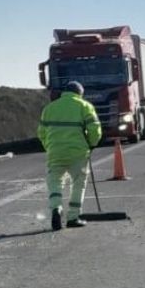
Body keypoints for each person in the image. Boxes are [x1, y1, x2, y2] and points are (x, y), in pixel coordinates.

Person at [37, 81, 102, 231]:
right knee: (79, 183)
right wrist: (91, 144)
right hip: (78, 153)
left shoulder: (49, 108)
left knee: (55, 182)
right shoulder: (84, 106)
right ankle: (73, 217)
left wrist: (50, 147)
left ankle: (56, 208)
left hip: (55, 153)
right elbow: (95, 130)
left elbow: (41, 133)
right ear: (80, 93)